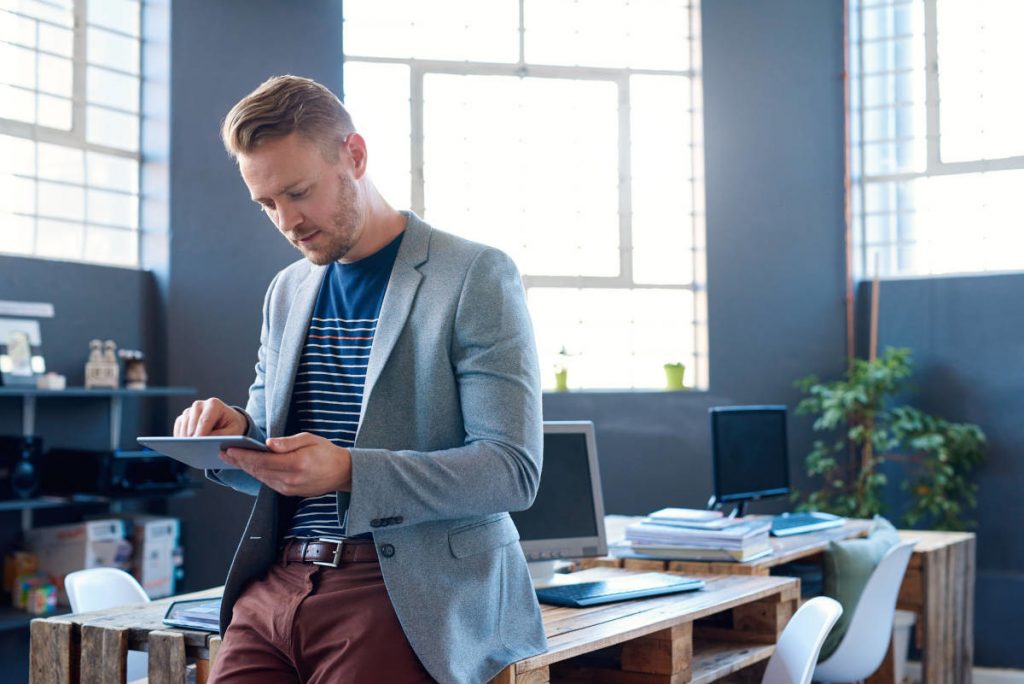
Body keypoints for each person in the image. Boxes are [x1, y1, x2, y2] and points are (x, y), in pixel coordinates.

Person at [173, 75, 547, 684]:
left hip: (402, 587)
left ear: (355, 155)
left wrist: (349, 471)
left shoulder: (474, 275)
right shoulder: (287, 291)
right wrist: (233, 436)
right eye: (267, 205)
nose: (288, 222)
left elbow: (512, 470)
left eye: (299, 193)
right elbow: (277, 458)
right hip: (276, 584)